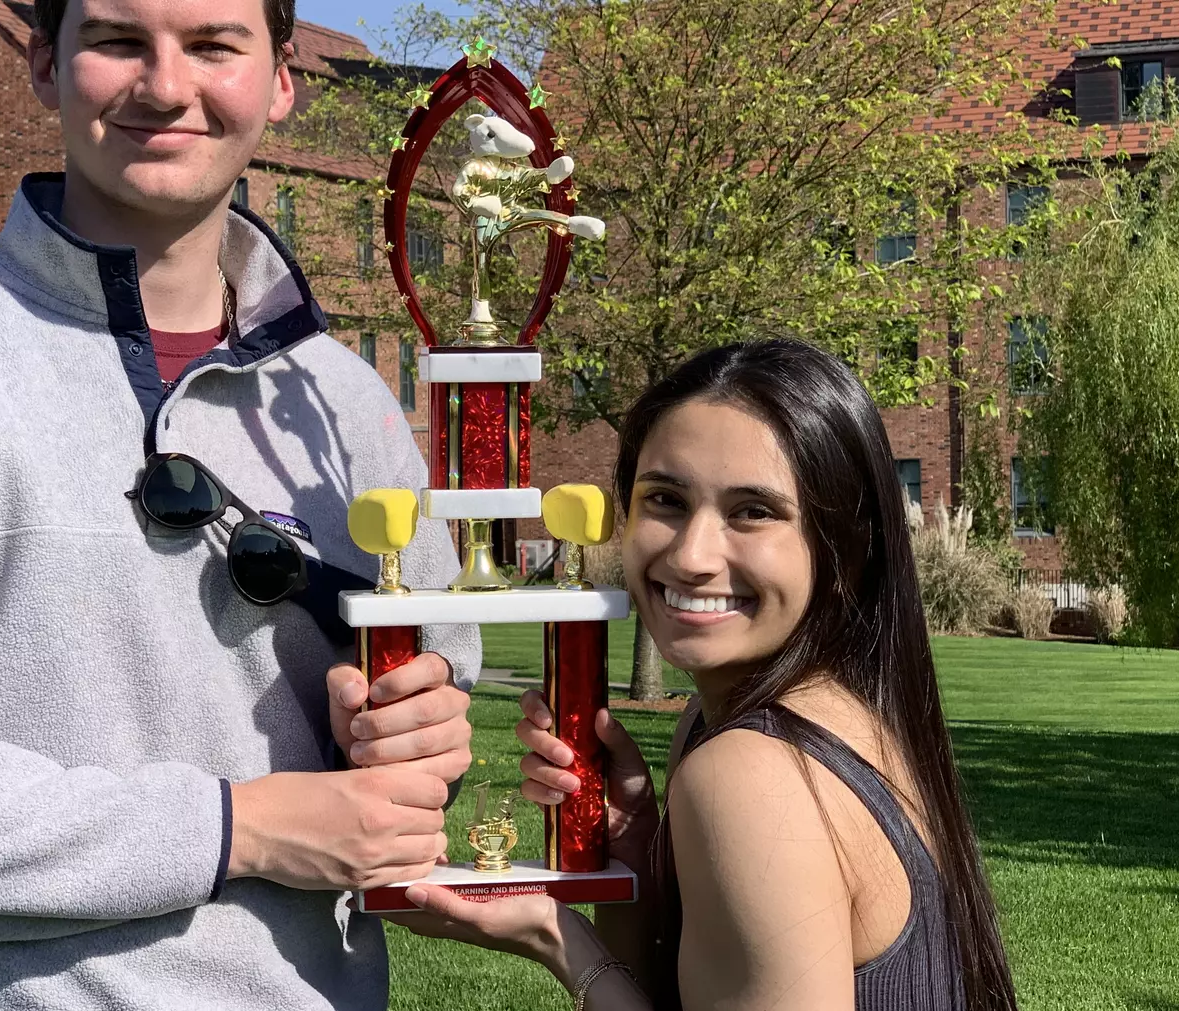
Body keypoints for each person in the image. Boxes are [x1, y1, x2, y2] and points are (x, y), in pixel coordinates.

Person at [0, 1, 479, 1008]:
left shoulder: (347, 407)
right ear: (45, 61)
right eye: (121, 41)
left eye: (216, 46)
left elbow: (429, 716)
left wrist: (419, 737)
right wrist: (243, 827)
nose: (167, 86)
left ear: (282, 79)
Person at [387, 339, 1017, 1011]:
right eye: (665, 498)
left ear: (845, 545)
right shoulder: (826, 711)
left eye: (753, 511)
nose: (692, 555)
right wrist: (634, 856)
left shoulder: (752, 774)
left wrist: (557, 939)